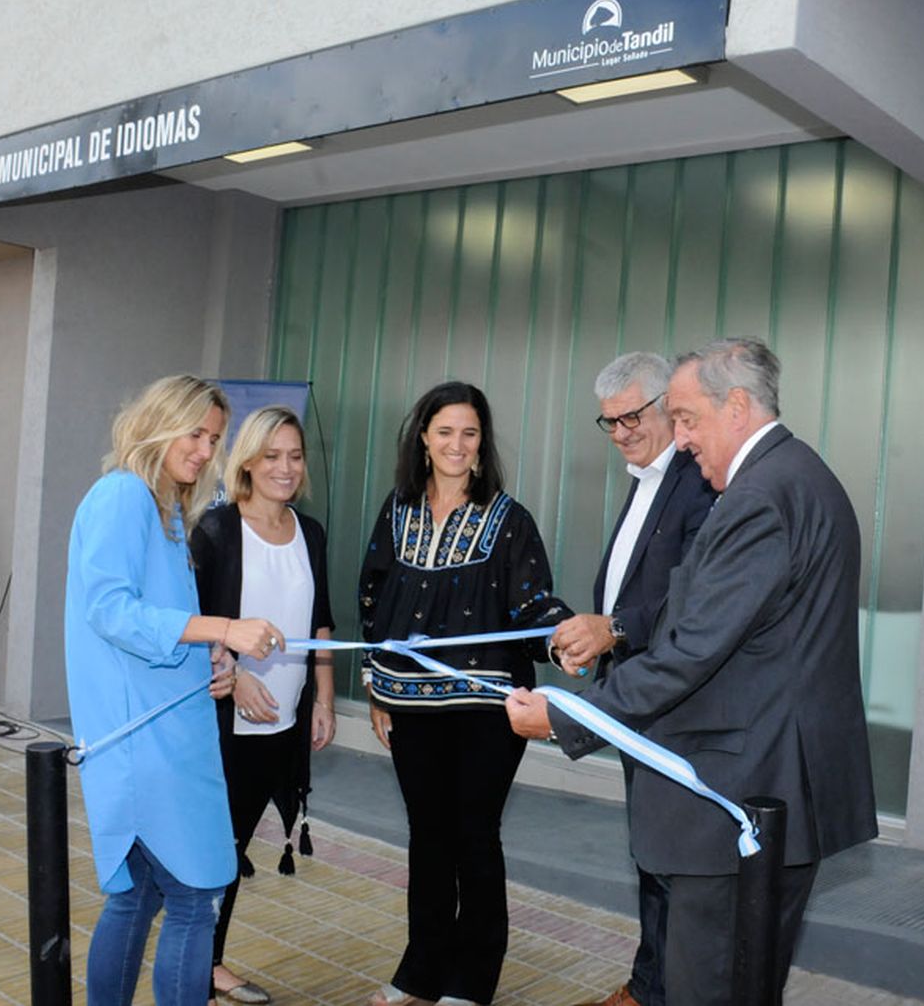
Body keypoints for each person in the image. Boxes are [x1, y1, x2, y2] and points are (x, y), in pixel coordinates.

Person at [508, 338, 878, 1005]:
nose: (678, 440)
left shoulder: (761, 498)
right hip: (768, 787)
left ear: (735, 406)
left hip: (740, 790)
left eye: (684, 418)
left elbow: (690, 651)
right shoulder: (796, 476)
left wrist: (567, 713)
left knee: (705, 987)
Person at [64, 374, 287, 1006]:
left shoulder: (163, 510)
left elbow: (156, 625)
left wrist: (212, 660)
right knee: (193, 898)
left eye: (213, 438)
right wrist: (226, 628)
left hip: (163, 730)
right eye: (193, 432)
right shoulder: (123, 496)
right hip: (145, 743)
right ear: (157, 422)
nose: (202, 449)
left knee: (139, 895)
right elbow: (110, 611)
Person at [359, 380, 570, 1006]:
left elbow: (533, 604)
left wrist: (568, 639)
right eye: (445, 431)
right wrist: (376, 688)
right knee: (427, 835)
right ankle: (419, 972)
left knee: (474, 834)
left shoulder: (509, 520)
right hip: (408, 703)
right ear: (424, 437)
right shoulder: (396, 512)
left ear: (482, 444)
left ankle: (472, 981)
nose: (457, 444)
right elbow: (372, 602)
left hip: (486, 705)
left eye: (469, 433)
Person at [550, 352, 714, 1006]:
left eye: (631, 417)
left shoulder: (699, 481)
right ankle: (650, 985)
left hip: (676, 702)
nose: (620, 432)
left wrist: (613, 628)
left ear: (669, 407)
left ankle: (667, 991)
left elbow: (693, 597)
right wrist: (596, 641)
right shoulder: (646, 476)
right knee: (650, 849)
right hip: (635, 691)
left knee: (672, 858)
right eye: (608, 422)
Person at [191, 406, 336, 1006]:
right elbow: (194, 623)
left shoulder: (312, 532)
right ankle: (200, 963)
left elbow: (322, 623)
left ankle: (207, 961)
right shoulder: (216, 530)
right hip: (226, 718)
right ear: (246, 461)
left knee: (236, 843)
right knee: (212, 847)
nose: (285, 467)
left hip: (287, 720)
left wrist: (325, 698)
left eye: (295, 456)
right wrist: (234, 673)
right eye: (271, 455)